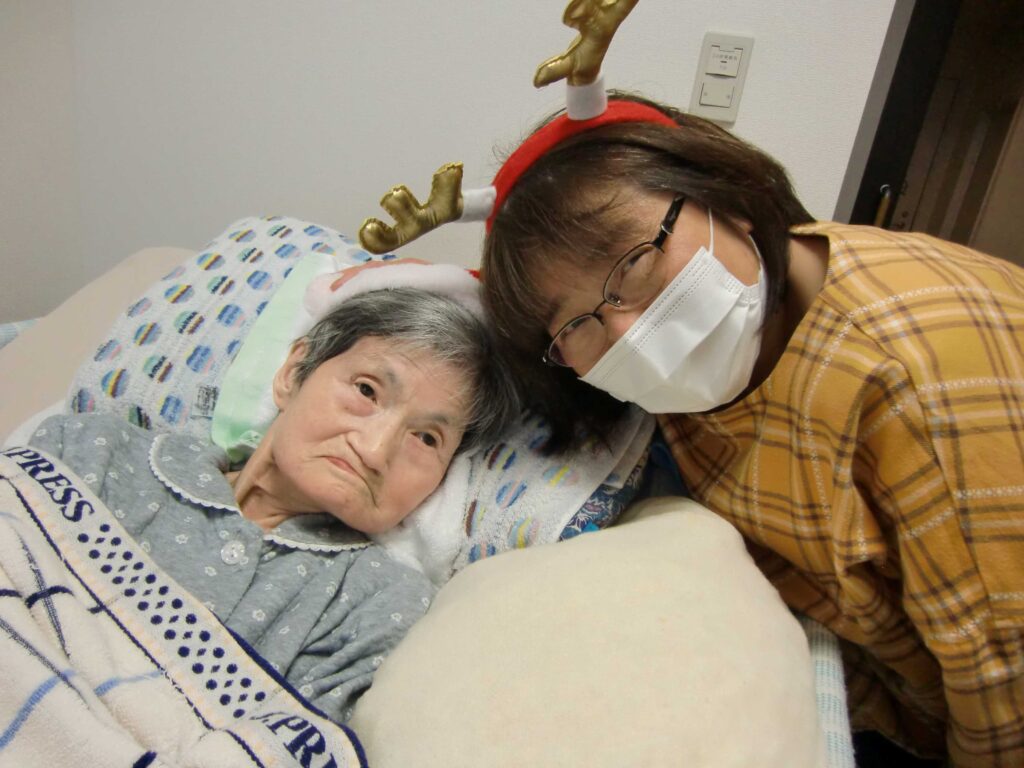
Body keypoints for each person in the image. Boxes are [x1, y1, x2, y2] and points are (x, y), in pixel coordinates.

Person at [478, 91, 1024, 767]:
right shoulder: (728, 339)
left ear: (726, 194)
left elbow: (1002, 695)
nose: (628, 331)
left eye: (633, 264)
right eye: (575, 323)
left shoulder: (913, 381)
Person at [27, 284, 520, 724]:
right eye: (367, 390)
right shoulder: (94, 452)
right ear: (292, 372)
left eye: (427, 438)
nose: (375, 450)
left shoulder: (381, 604)